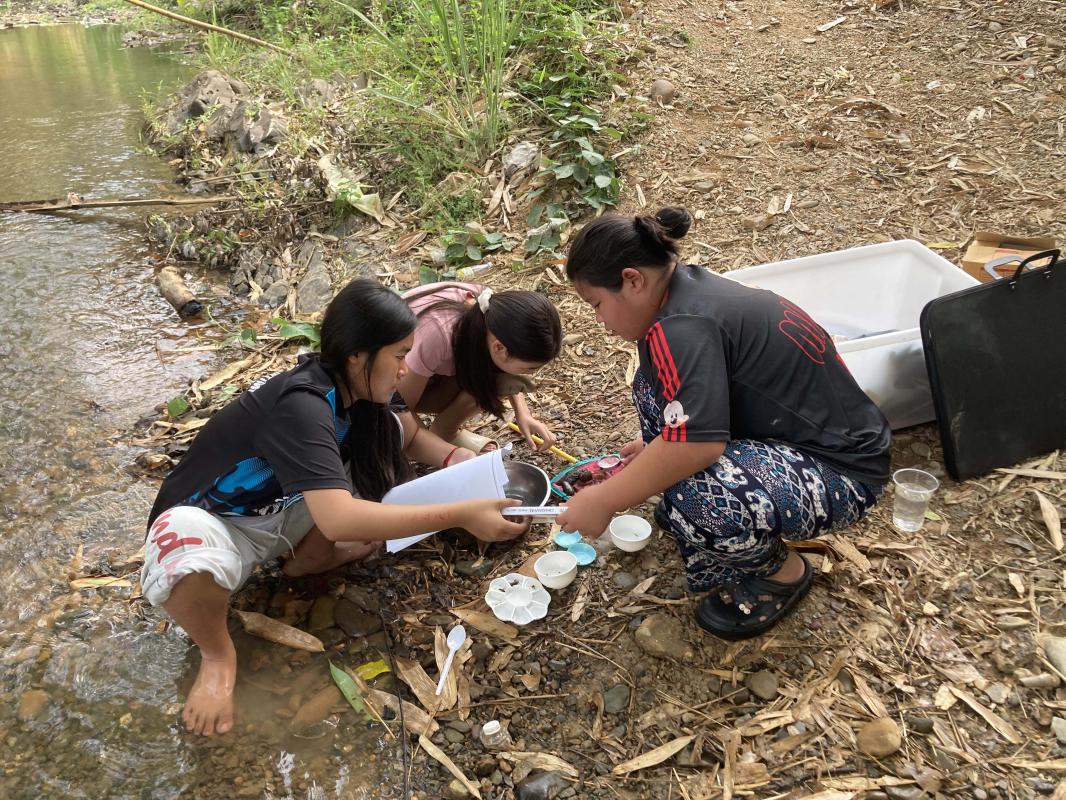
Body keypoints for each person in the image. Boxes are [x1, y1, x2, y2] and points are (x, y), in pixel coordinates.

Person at [142, 278, 527, 736]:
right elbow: (339, 516)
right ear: (357, 355)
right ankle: (218, 655)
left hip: (287, 507)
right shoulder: (302, 404)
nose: (407, 369)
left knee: (374, 469)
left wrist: (454, 459)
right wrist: (462, 513)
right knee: (185, 559)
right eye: (400, 355)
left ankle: (310, 560)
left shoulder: (363, 392)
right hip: (220, 521)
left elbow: (406, 436)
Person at [556, 207, 890, 640]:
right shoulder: (686, 292)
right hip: (796, 437)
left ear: (632, 280)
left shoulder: (680, 327)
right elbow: (704, 405)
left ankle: (783, 575)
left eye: (597, 305)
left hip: (844, 472)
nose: (600, 323)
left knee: (699, 497)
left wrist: (604, 500)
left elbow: (694, 447)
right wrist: (655, 450)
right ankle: (721, 532)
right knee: (655, 400)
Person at [398, 281, 563, 453]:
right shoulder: (436, 336)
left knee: (505, 379)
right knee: (497, 380)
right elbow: (398, 410)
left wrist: (523, 414)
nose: (530, 375)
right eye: (528, 369)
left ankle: (445, 431)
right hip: (383, 389)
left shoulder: (495, 310)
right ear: (499, 347)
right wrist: (444, 455)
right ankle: (442, 436)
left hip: (426, 373)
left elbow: (506, 371)